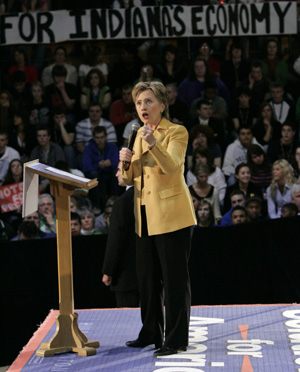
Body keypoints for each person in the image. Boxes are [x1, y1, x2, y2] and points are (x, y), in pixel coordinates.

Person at [119, 81, 196, 356]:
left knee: (174, 280)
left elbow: (173, 167)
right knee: (148, 279)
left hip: (172, 216)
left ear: (163, 105)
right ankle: (151, 331)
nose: (143, 107)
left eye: (149, 101)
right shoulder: (137, 134)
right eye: (139, 103)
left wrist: (152, 143)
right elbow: (125, 180)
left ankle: (176, 339)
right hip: (144, 216)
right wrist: (124, 162)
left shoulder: (177, 132)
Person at [102, 161, 139, 308]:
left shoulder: (122, 202)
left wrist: (108, 270)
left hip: (126, 276)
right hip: (150, 274)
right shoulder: (150, 197)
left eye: (119, 170)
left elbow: (116, 240)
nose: (117, 174)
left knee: (128, 321)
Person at [82, 126, 119, 211]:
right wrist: (98, 165)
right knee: (93, 175)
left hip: (109, 174)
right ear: (94, 138)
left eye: (102, 137)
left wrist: (110, 164)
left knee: (116, 172)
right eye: (97, 138)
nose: (100, 140)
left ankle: (114, 202)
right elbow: (86, 166)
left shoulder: (112, 147)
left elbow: (118, 163)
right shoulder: (89, 148)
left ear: (106, 137)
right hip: (96, 174)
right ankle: (97, 206)